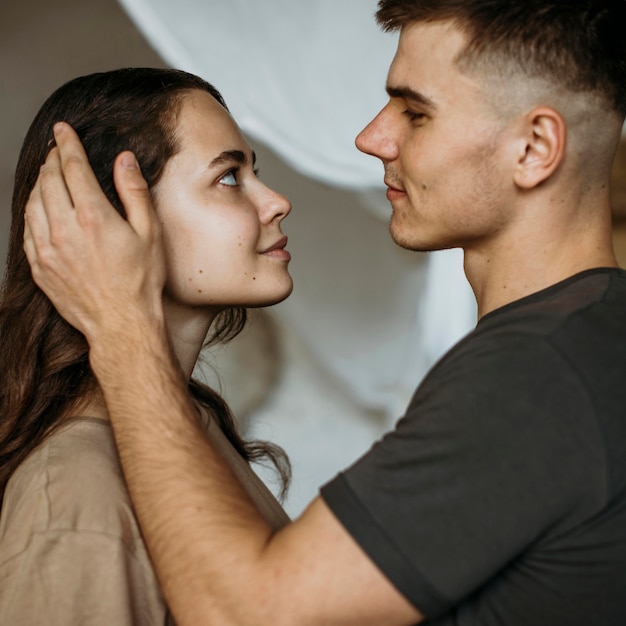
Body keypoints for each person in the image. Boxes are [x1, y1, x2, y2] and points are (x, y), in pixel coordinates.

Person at [22, 0, 626, 624]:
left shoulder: (538, 375)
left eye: (416, 112)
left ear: (534, 147)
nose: (372, 138)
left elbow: (248, 611)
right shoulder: (582, 344)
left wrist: (122, 324)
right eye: (229, 177)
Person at [0, 67, 292, 625]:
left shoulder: (192, 428)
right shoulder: (71, 490)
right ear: (108, 219)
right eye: (229, 177)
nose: (277, 202)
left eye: (255, 171)